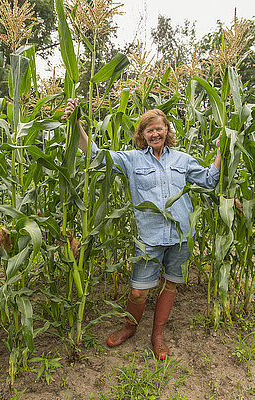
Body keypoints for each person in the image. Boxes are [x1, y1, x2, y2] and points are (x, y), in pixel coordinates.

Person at [64, 98, 221, 359]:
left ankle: (157, 335)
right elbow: (95, 156)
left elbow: (208, 180)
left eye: (159, 129)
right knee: (138, 292)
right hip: (150, 237)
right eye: (149, 130)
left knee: (170, 285)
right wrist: (75, 124)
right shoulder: (132, 160)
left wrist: (221, 150)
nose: (155, 133)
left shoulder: (183, 159)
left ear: (167, 131)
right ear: (142, 135)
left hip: (181, 236)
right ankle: (129, 327)